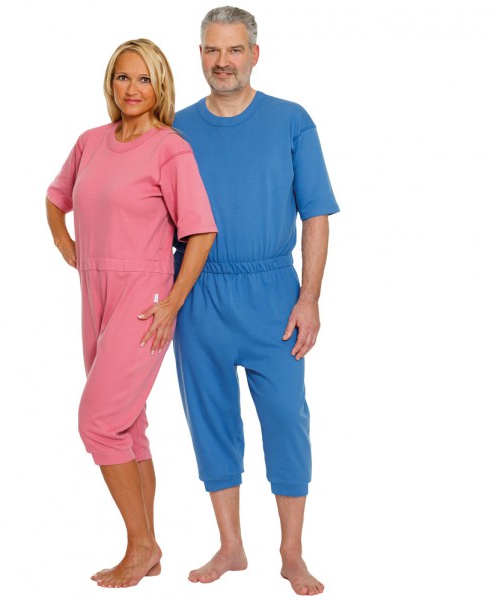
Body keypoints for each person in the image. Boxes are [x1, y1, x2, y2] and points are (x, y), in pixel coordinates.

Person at [172, 7, 339, 596]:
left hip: (273, 294)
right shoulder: (175, 129)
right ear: (200, 55)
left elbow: (315, 213)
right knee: (210, 420)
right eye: (213, 50)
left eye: (235, 49)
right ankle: (231, 546)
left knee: (287, 421)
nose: (223, 62)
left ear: (254, 54)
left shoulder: (291, 121)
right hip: (198, 292)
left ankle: (291, 553)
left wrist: (309, 297)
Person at [45, 38, 217, 589]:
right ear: (110, 83)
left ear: (160, 86)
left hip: (144, 298)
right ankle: (151, 548)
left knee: (97, 421)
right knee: (125, 423)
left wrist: (173, 302)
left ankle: (140, 546)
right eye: (123, 77)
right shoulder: (90, 142)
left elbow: (201, 231)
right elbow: (55, 197)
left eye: (144, 79)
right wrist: (65, 242)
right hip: (94, 291)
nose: (132, 89)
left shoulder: (170, 148)